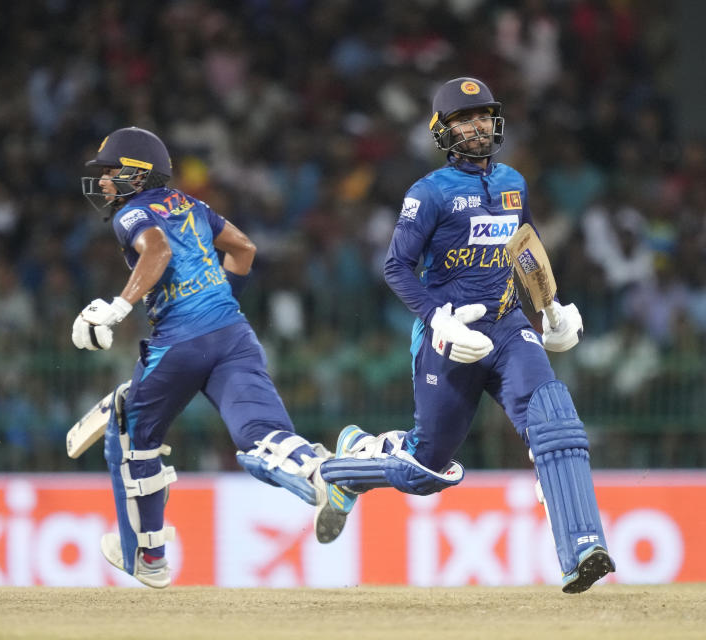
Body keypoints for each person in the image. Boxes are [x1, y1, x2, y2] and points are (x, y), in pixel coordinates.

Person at [317, 78, 616, 593]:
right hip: (449, 336)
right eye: (464, 118)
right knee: (424, 472)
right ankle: (350, 461)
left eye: (484, 115)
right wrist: (439, 319)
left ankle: (583, 548)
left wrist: (551, 307)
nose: (478, 125)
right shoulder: (429, 193)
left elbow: (525, 245)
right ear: (442, 131)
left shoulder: (514, 183)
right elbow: (396, 268)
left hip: (506, 326)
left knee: (555, 421)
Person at [75, 126, 345, 588]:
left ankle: (148, 555)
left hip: (178, 344)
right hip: (234, 334)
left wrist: (118, 308)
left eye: (110, 172)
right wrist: (218, 300)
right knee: (263, 435)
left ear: (137, 175)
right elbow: (244, 249)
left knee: (130, 433)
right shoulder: (190, 204)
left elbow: (156, 248)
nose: (102, 183)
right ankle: (322, 474)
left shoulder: (131, 214)